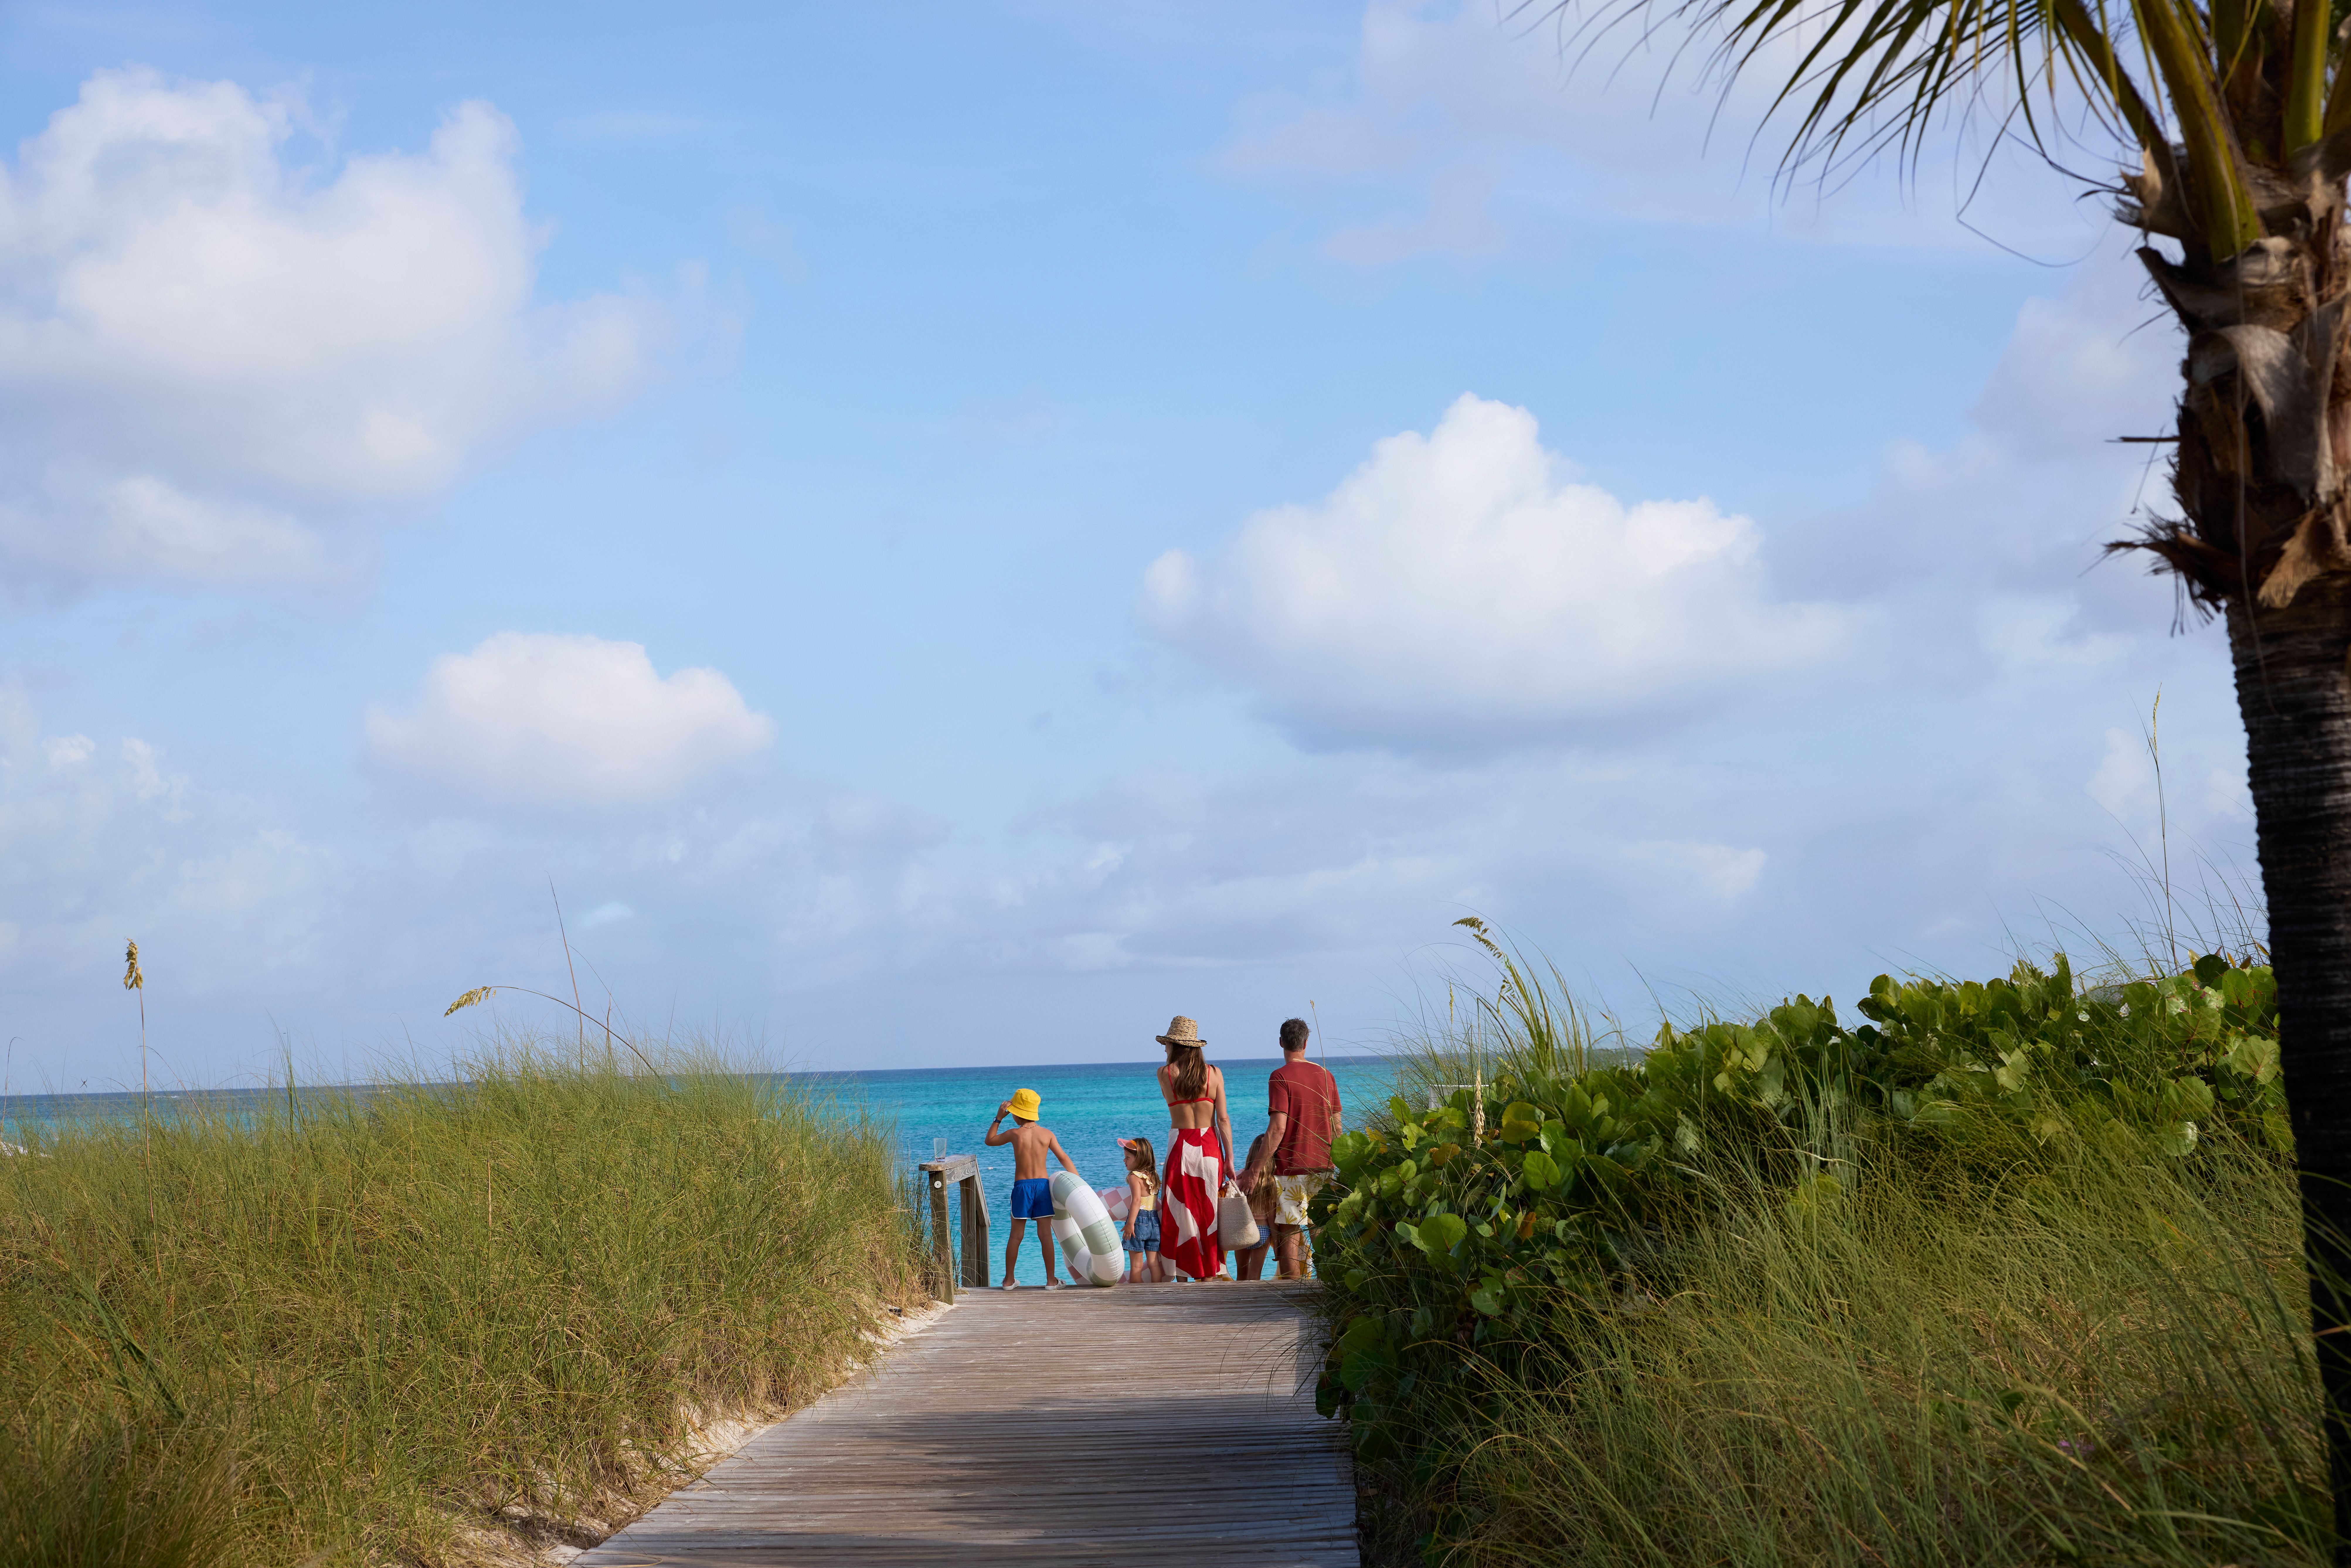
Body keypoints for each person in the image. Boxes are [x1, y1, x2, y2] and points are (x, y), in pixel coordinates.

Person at [1241, 1017, 1342, 1280]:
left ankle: (1292, 1296)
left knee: (1289, 1235)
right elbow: (1337, 1127)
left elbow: (1277, 1129)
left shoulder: (1280, 1077)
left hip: (1292, 1170)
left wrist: (1254, 1170)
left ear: (1281, 1043)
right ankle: (1328, 1290)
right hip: (1325, 1167)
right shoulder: (1326, 1075)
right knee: (1322, 1232)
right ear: (1306, 1043)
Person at [1153, 1015, 1235, 1282]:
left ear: (1176, 1046)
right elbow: (1222, 1119)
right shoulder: (1214, 1074)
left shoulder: (1164, 1074)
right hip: (1210, 1147)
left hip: (1180, 1146)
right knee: (1207, 1211)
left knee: (1179, 1213)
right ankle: (1208, 1274)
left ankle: (1182, 1275)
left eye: (1167, 1045)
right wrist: (1231, 1159)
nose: (1165, 1049)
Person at [984, 1087, 1075, 1289]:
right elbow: (1063, 1158)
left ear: (1015, 1114)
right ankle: (1051, 1281)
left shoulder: (1015, 1135)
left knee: (1016, 1235)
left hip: (1022, 1188)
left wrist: (998, 1118)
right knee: (1045, 1235)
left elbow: (989, 1141)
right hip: (1042, 1187)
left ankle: (1009, 1280)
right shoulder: (1047, 1134)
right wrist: (1078, 1183)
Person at [1229, 1132, 1279, 1281]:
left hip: (1241, 1230)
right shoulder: (1272, 1183)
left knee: (1241, 1275)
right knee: (1255, 1275)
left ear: (1251, 1154)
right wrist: (1276, 1245)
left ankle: (1239, 1302)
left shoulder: (1239, 1177)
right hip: (1262, 1232)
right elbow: (1272, 1217)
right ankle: (1253, 1302)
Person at [1118, 1136, 1166, 1283]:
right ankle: (1157, 1292)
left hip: (1139, 1222)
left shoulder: (1134, 1177)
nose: (1124, 1161)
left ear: (1139, 1159)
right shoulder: (1154, 1176)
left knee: (1137, 1266)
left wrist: (1130, 1224)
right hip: (1154, 1222)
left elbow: (1137, 1201)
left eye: (1127, 1158)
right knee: (1153, 1264)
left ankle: (1136, 1296)